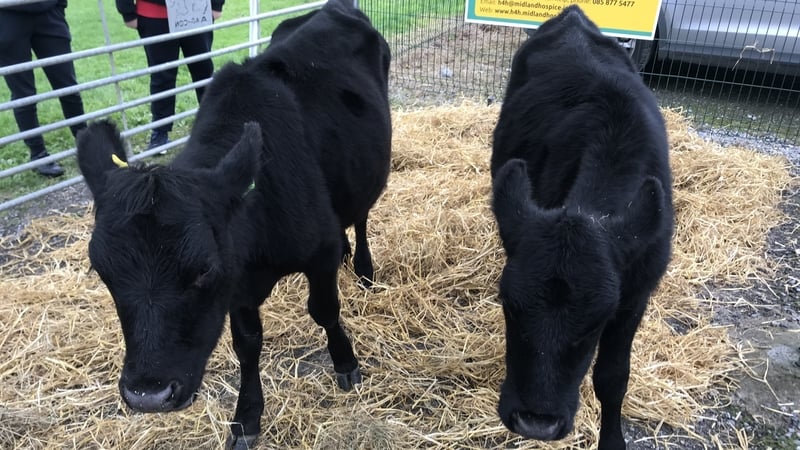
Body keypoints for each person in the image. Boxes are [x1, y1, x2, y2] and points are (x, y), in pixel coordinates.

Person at [115, 0, 224, 150]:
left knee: (203, 70)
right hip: (154, 13)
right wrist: (127, 11)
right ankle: (160, 131)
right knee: (162, 75)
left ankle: (214, 124)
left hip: (197, 10)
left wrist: (217, 3)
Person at [0, 0, 87, 178]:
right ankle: (38, 155)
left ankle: (86, 143)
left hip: (49, 13)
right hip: (7, 17)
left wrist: (58, 5)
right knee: (24, 94)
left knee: (68, 86)